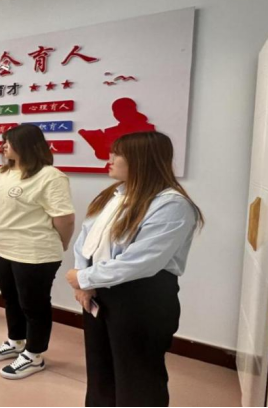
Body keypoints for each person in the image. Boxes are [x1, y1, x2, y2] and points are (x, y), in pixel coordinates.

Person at [66, 132, 204, 407]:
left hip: (142, 299)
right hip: (98, 291)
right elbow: (86, 240)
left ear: (142, 159)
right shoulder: (114, 194)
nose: (109, 158)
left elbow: (141, 261)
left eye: (117, 154)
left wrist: (84, 278)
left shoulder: (171, 204)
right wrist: (84, 281)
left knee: (138, 377)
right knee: (101, 368)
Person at [0, 124, 76, 380]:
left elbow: (65, 218)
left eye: (9, 141)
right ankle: (16, 342)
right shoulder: (3, 172)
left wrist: (62, 243)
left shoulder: (50, 176)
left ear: (26, 145)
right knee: (11, 299)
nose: (3, 146)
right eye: (3, 141)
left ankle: (34, 355)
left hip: (34, 251)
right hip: (1, 247)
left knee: (34, 306)